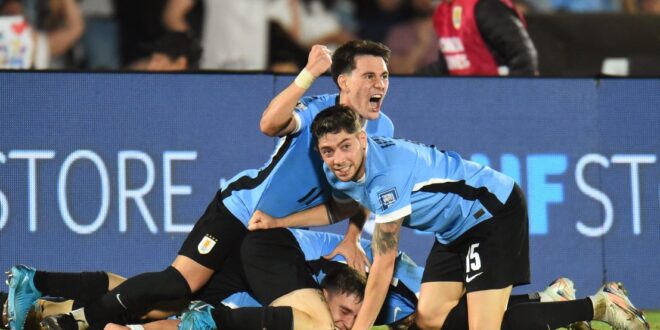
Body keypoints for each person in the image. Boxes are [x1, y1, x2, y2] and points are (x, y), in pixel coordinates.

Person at [6, 40, 394, 330]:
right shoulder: (317, 112)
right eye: (370, 75)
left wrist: (352, 236)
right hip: (239, 210)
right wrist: (307, 74)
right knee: (177, 283)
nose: (381, 84)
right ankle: (66, 311)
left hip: (266, 233)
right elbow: (268, 124)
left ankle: (48, 304)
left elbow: (366, 188)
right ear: (343, 81)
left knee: (177, 299)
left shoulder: (383, 130)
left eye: (385, 76)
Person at [249, 105, 651, 330]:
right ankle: (550, 301)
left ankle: (598, 305)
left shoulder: (387, 177)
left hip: (491, 214)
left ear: (363, 140)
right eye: (328, 151)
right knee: (430, 318)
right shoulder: (345, 170)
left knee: (481, 328)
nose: (337, 159)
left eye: (345, 146)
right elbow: (344, 205)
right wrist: (280, 222)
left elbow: (384, 264)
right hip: (454, 231)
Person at [422, 0, 538, 76]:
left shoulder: (486, 6)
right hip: (470, 98)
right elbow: (449, 64)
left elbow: (524, 56)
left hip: (497, 97)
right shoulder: (444, 13)